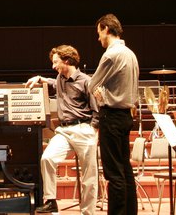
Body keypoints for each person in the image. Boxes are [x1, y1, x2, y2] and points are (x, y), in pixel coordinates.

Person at [27, 45, 99, 214]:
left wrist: (93, 132)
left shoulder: (86, 81)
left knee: (89, 177)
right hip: (64, 131)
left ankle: (88, 212)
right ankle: (51, 200)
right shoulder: (60, 78)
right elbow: (52, 82)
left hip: (84, 129)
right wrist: (39, 78)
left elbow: (97, 110)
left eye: (56, 62)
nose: (53, 66)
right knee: (47, 158)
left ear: (67, 61)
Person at [87, 13, 139, 215]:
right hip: (126, 116)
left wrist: (101, 96)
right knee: (125, 171)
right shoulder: (130, 53)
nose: (98, 37)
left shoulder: (111, 54)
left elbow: (92, 84)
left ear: (106, 29)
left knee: (114, 174)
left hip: (112, 117)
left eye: (99, 32)